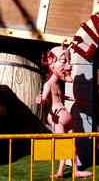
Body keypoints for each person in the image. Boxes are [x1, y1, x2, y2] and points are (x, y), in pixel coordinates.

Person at [36, 45, 91, 179]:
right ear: (52, 63)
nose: (68, 65)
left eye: (68, 61)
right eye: (64, 61)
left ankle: (72, 171)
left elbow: (58, 96)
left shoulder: (57, 84)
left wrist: (68, 98)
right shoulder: (48, 84)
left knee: (71, 144)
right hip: (57, 119)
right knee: (63, 145)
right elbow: (44, 98)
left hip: (65, 118)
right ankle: (62, 172)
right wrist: (41, 99)